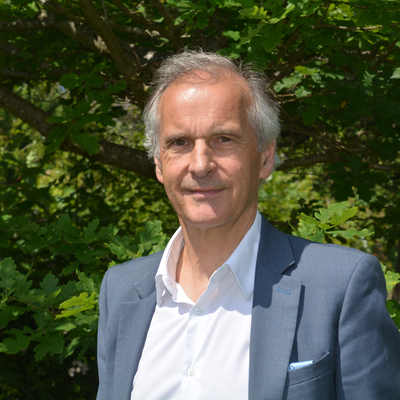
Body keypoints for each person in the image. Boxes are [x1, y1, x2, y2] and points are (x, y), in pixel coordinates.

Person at [96, 51, 400, 400]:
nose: (200, 165)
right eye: (179, 143)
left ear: (265, 156)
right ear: (159, 164)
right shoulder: (121, 292)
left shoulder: (339, 287)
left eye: (223, 139)